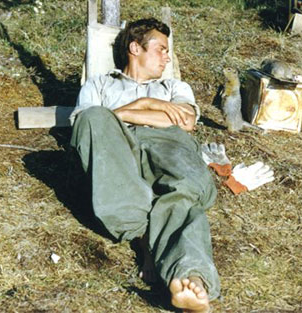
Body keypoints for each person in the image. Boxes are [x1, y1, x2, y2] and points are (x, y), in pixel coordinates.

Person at [69, 18, 219, 313]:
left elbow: (185, 122)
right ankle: (144, 237)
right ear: (135, 48)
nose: (167, 57)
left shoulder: (175, 86)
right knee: (95, 118)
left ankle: (190, 278)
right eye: (161, 49)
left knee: (184, 192)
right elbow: (86, 124)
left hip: (168, 142)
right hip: (118, 145)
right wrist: (156, 106)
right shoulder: (98, 84)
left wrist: (127, 113)